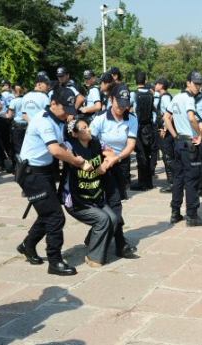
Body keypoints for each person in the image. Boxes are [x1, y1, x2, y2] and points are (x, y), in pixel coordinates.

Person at [16, 86, 90, 276]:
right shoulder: (44, 121)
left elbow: (64, 144)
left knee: (47, 212)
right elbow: (56, 151)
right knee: (55, 216)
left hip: (45, 171)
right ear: (54, 104)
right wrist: (77, 163)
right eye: (65, 109)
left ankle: (28, 245)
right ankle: (55, 261)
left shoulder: (58, 119)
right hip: (32, 173)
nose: (68, 114)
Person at [90, 83, 138, 259]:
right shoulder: (100, 118)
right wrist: (106, 154)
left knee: (115, 202)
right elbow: (89, 141)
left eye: (126, 104)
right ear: (111, 100)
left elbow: (130, 145)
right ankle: (120, 243)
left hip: (120, 164)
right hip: (102, 166)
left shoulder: (131, 119)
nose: (122, 108)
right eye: (119, 104)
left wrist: (116, 158)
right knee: (112, 202)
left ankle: (98, 237)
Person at [61, 119, 118, 267]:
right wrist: (76, 161)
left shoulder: (96, 143)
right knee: (103, 220)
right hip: (76, 200)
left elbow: (111, 154)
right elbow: (58, 150)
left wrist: (104, 165)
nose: (89, 130)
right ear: (74, 134)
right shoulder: (70, 146)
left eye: (88, 126)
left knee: (113, 219)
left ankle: (92, 241)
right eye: (84, 128)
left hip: (95, 194)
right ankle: (93, 257)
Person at [163, 71, 202, 227]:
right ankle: (192, 215)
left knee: (178, 178)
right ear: (188, 82)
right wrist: (199, 133)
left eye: (200, 83)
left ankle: (175, 213)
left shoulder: (176, 98)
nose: (198, 86)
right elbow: (191, 117)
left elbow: (166, 118)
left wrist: (175, 135)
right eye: (195, 83)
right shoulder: (189, 98)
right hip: (189, 144)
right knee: (192, 180)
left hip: (179, 143)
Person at [130, 71, 155, 191]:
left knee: (141, 155)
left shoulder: (134, 95)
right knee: (148, 154)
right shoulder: (151, 94)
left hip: (138, 127)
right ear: (145, 81)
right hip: (149, 126)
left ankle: (142, 183)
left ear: (136, 81)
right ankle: (149, 182)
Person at [155, 77, 174, 193]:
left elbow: (169, 115)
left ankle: (172, 183)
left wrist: (165, 128)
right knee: (167, 157)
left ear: (161, 85)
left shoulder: (166, 98)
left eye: (156, 84)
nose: (155, 86)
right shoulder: (164, 97)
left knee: (168, 157)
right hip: (164, 130)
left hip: (166, 132)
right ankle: (171, 181)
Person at [6, 84, 26, 160]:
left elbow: (9, 116)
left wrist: (2, 115)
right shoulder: (25, 99)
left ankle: (20, 166)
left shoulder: (14, 101)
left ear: (14, 91)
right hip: (27, 125)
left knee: (17, 147)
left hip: (17, 126)